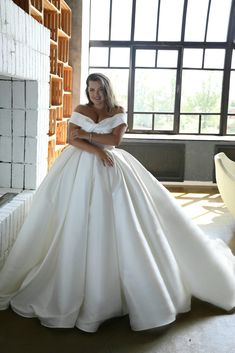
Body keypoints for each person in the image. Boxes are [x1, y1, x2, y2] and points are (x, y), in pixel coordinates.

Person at [0, 73, 234, 333]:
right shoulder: (81, 109)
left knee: (122, 223)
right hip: (78, 167)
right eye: (91, 90)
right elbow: (71, 139)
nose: (95, 95)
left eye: (99, 90)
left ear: (106, 90)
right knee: (72, 220)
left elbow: (114, 140)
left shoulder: (118, 111)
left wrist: (87, 136)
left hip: (111, 167)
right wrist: (96, 148)